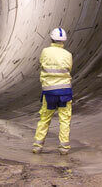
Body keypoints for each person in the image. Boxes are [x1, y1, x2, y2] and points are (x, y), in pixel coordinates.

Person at [32, 27, 73, 155]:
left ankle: (37, 146)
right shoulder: (68, 54)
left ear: (51, 39)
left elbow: (41, 63)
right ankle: (64, 148)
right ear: (63, 41)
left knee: (44, 119)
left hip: (49, 92)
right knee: (65, 120)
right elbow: (69, 68)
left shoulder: (45, 52)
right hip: (65, 92)